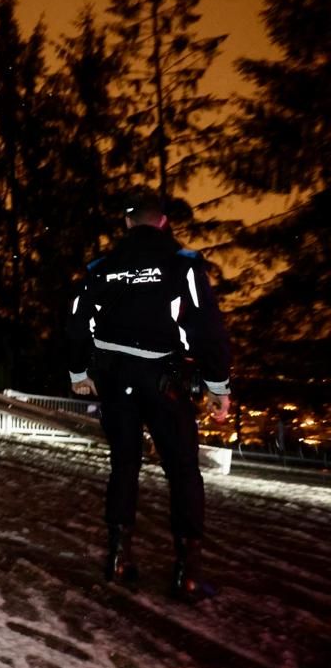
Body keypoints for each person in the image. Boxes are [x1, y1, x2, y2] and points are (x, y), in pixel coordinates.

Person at [66, 188, 231, 603]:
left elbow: (78, 320)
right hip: (164, 381)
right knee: (183, 471)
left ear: (125, 223)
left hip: (115, 379)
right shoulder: (182, 265)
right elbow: (206, 327)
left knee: (124, 464)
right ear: (162, 221)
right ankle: (187, 572)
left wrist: (78, 371)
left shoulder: (101, 268)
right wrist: (217, 387)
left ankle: (118, 557)